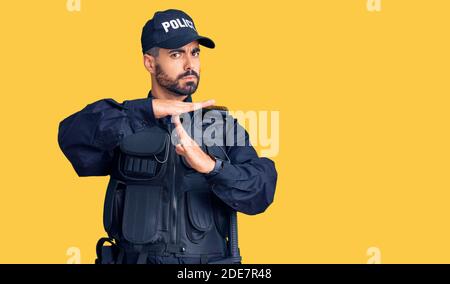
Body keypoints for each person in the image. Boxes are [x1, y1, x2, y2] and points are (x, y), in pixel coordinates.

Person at [58, 9, 277, 264]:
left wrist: (212, 167)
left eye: (194, 52)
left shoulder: (221, 126)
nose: (189, 64)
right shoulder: (124, 122)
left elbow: (261, 189)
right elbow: (72, 137)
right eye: (176, 54)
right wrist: (147, 111)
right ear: (150, 63)